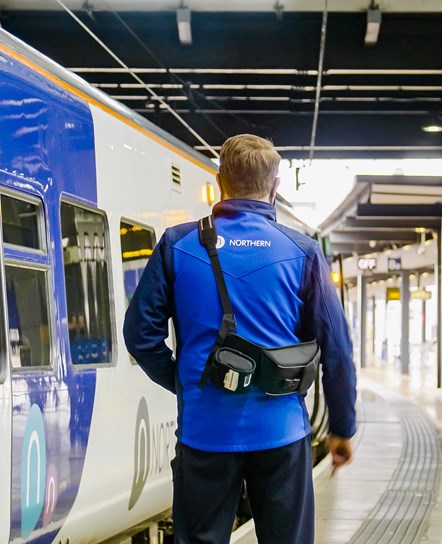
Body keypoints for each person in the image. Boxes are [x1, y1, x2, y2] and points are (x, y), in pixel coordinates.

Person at [124, 134, 357, 544]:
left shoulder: (178, 245)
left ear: (219, 181)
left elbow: (140, 335)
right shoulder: (302, 251)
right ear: (275, 186)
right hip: (281, 431)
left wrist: (185, 381)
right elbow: (336, 348)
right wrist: (342, 427)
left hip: (204, 432)